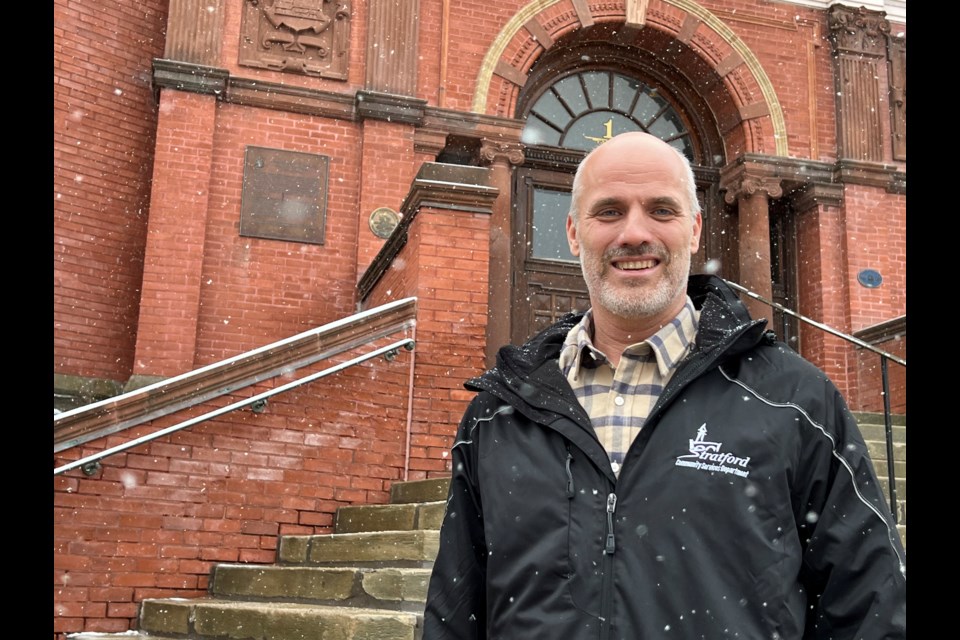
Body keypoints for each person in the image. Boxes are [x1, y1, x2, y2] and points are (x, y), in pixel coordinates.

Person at [422, 131, 906, 639]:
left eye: (661, 210)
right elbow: (455, 617)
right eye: (608, 212)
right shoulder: (499, 415)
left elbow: (870, 610)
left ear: (695, 230)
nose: (633, 233)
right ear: (572, 232)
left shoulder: (793, 401)